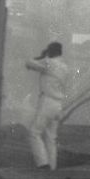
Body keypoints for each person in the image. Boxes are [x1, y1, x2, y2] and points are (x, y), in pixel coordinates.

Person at [25, 42, 70, 170]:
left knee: (34, 133)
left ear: (50, 52)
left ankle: (43, 164)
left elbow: (28, 62)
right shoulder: (65, 67)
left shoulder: (48, 62)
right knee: (51, 138)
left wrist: (42, 56)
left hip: (47, 102)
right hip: (58, 104)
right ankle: (52, 167)